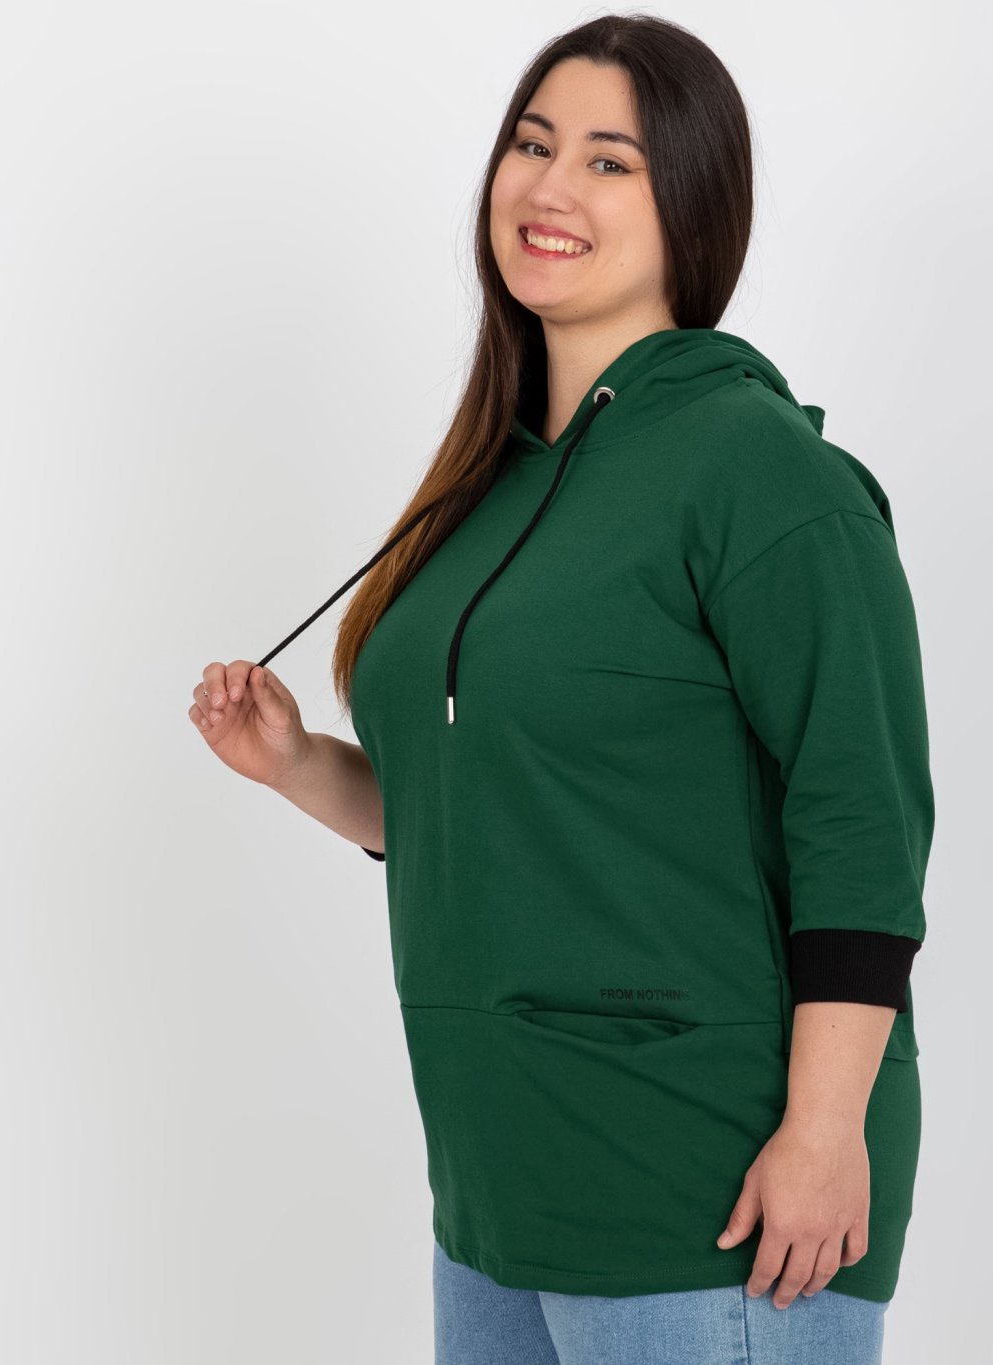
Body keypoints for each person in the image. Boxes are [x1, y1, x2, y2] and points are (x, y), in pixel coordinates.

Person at [188, 15, 933, 1365]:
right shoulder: (486, 486)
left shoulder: (758, 470)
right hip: (497, 1192)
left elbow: (862, 822)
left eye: (609, 161)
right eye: (532, 145)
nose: (549, 188)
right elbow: (499, 814)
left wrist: (827, 1133)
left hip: (709, 1198)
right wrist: (295, 763)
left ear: (692, 203)